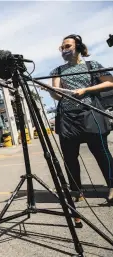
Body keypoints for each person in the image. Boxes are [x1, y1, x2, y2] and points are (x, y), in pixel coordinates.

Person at [49, 34, 113, 203]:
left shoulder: (92, 65)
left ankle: (112, 187)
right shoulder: (58, 71)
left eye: (67, 46)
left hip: (90, 113)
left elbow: (109, 82)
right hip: (67, 118)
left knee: (101, 153)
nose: (64, 49)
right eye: (62, 47)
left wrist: (86, 90)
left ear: (78, 47)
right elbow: (57, 94)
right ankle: (76, 190)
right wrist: (52, 92)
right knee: (70, 156)